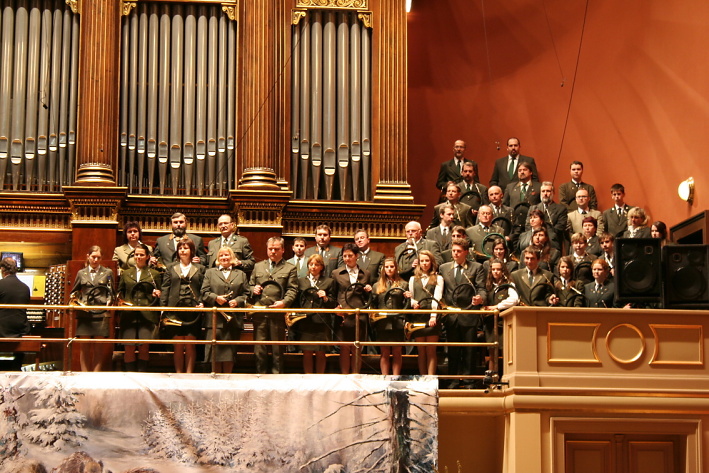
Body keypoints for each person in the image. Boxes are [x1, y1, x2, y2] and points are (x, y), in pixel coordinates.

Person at [248, 236, 298, 374]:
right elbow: (250, 285)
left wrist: (284, 302)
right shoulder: (258, 266)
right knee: (259, 348)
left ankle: (277, 377)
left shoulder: (290, 268)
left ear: (282, 250)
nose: (273, 252)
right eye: (270, 249)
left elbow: (292, 289)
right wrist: (254, 289)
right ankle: (260, 375)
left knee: (277, 349)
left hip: (278, 313)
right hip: (259, 311)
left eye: (276, 249)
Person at [440, 239, 486, 388]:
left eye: (459, 251)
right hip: (451, 315)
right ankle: (453, 379)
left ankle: (468, 380)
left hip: (469, 314)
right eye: (454, 251)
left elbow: (482, 288)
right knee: (452, 350)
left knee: (469, 350)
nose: (455, 253)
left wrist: (481, 298)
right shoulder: (443, 268)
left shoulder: (476, 268)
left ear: (466, 252)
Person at [160, 237, 206, 373]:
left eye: (185, 248)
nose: (183, 250)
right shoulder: (170, 268)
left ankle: (189, 375)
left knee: (191, 344)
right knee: (178, 344)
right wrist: (163, 309)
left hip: (193, 310)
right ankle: (179, 374)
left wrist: (202, 302)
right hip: (175, 310)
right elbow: (165, 288)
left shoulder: (201, 268)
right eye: (180, 248)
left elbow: (204, 288)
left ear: (192, 251)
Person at [201, 246, 249, 374]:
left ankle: (228, 379)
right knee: (214, 352)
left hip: (233, 319)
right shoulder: (210, 273)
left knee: (230, 352)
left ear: (232, 258)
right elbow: (204, 292)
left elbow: (247, 294)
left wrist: (237, 301)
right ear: (217, 258)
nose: (224, 258)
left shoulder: (241, 274)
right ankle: (215, 380)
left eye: (227, 255)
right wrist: (215, 298)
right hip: (215, 319)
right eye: (221, 255)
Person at [116, 243, 162, 372]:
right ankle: (131, 376)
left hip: (146, 314)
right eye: (136, 254)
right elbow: (120, 292)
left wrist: (157, 294)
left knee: (144, 347)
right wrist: (120, 302)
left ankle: (143, 376)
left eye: (141, 255)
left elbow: (160, 292)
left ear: (147, 256)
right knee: (129, 346)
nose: (138, 257)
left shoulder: (154, 274)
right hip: (129, 314)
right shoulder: (126, 273)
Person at [70, 245, 115, 372]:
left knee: (99, 347)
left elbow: (111, 291)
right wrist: (76, 302)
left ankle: (95, 375)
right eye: (93, 257)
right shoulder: (81, 273)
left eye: (98, 258)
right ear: (88, 257)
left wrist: (109, 301)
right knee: (84, 347)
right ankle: (84, 374)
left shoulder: (107, 273)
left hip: (101, 312)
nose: (95, 260)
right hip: (85, 313)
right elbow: (74, 292)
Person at [331, 242, 371, 374]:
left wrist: (369, 290)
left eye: (350, 256)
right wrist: (336, 308)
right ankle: (344, 376)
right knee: (344, 347)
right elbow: (333, 294)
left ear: (357, 256)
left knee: (357, 347)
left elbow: (369, 296)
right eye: (345, 256)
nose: (347, 259)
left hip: (360, 313)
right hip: (343, 314)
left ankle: (356, 375)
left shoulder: (366, 273)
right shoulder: (337, 273)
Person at [296, 254, 337, 374]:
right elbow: (297, 301)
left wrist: (325, 298)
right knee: (307, 351)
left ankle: (320, 377)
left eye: (317, 264)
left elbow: (333, 302)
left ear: (322, 267)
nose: (313, 267)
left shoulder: (329, 282)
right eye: (311, 264)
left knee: (321, 351)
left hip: (322, 321)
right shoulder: (301, 281)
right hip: (306, 320)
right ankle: (308, 376)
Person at [406, 249, 444, 377]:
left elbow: (437, 298)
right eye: (422, 261)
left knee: (431, 350)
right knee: (421, 351)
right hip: (418, 316)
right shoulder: (412, 279)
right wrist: (413, 302)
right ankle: (422, 378)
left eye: (427, 260)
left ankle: (430, 378)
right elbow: (411, 296)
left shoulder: (438, 278)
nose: (424, 263)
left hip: (431, 316)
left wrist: (433, 316)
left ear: (432, 262)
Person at [370, 257, 407, 376]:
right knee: (384, 352)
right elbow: (373, 304)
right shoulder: (376, 285)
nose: (389, 269)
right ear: (383, 269)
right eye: (387, 267)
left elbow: (406, 305)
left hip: (398, 321)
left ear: (396, 268)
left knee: (397, 352)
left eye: (392, 266)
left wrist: (408, 297)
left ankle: (396, 377)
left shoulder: (403, 284)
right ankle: (385, 378)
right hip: (382, 322)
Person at [482, 258, 518, 372]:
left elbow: (514, 299)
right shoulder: (487, 285)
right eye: (493, 269)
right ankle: (492, 378)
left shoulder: (509, 284)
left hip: (504, 322)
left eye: (498, 269)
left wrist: (497, 306)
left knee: (506, 350)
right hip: (490, 323)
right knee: (492, 351)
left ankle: (506, 376)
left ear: (503, 270)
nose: (496, 272)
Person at [0, 257, 31, 370]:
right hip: (20, 329)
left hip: (2, 329)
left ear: (3, 269)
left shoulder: (0, 284)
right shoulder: (25, 287)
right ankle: (16, 368)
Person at [526, 182, 568, 250]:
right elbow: (528, 226)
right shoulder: (533, 208)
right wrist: (536, 237)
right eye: (543, 191)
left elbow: (559, 228)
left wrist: (544, 237)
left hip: (552, 244)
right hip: (533, 244)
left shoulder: (561, 209)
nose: (545, 194)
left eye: (548, 191)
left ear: (553, 192)